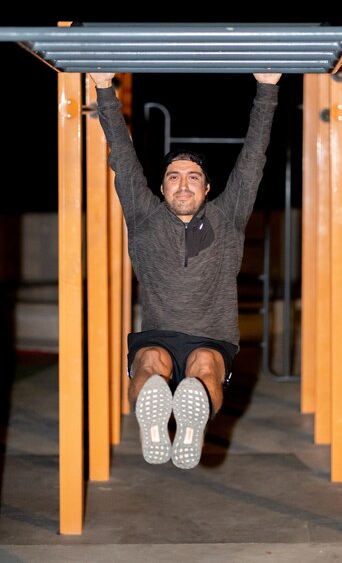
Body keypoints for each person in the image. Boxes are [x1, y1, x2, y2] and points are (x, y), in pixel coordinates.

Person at [89, 70, 281, 469]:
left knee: (203, 368)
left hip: (213, 336)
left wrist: (267, 88)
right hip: (158, 331)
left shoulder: (227, 216)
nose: (182, 185)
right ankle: (154, 423)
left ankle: (192, 428)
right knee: (151, 363)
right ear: (161, 188)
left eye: (193, 177)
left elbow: (252, 158)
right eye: (173, 177)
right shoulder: (144, 217)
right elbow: (122, 158)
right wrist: (104, 89)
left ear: (207, 189)